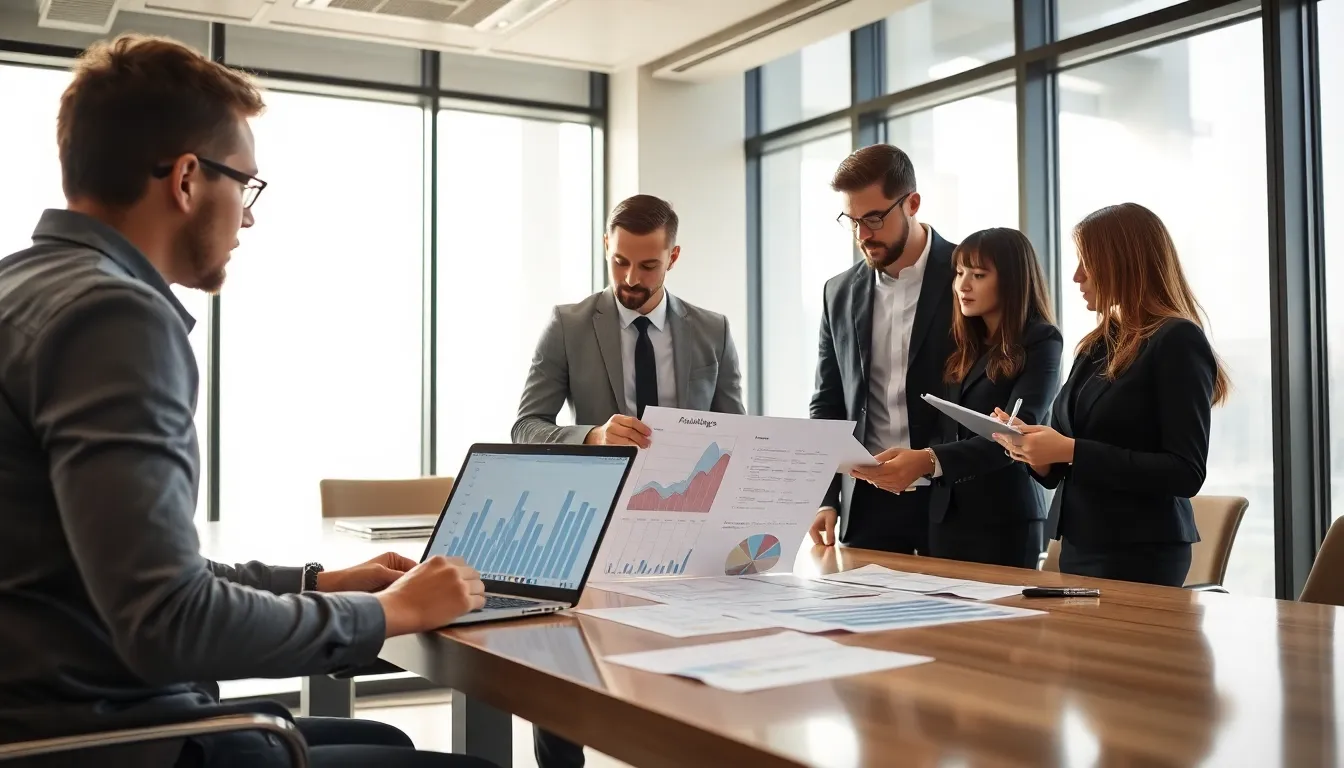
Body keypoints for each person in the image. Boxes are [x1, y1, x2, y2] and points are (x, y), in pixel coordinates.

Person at [0, 34, 495, 768]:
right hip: (112, 741)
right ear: (189, 180)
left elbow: (138, 572)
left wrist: (323, 582)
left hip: (49, 719)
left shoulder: (21, 285)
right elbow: (170, 620)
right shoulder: (115, 318)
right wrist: (393, 611)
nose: (249, 217)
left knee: (383, 739)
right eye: (246, 185)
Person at [512, 194, 745, 768]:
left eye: (647, 266)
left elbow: (734, 431)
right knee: (564, 674)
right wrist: (592, 435)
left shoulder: (712, 330)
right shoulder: (568, 324)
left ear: (674, 257)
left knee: (685, 671)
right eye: (619, 262)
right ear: (606, 249)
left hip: (684, 530)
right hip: (589, 526)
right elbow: (526, 428)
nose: (630, 279)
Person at [994, 203, 1229, 587]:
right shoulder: (1096, 345)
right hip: (1081, 542)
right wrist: (1031, 449)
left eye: (1087, 262)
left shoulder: (1176, 340)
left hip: (1143, 551)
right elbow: (1063, 461)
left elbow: (1185, 471)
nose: (1076, 276)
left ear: (1124, 264)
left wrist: (1068, 450)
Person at [856, 228, 1061, 568]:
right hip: (945, 514)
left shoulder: (1041, 341)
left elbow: (1016, 437)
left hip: (1003, 517)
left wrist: (927, 459)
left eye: (978, 275)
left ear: (1012, 280)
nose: (963, 285)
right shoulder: (964, 341)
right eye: (960, 272)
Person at [808, 144, 956, 554]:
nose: (862, 235)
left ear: (913, 203)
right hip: (868, 502)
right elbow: (828, 403)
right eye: (852, 221)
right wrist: (826, 495)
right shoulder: (837, 292)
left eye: (874, 219)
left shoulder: (967, 276)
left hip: (953, 498)